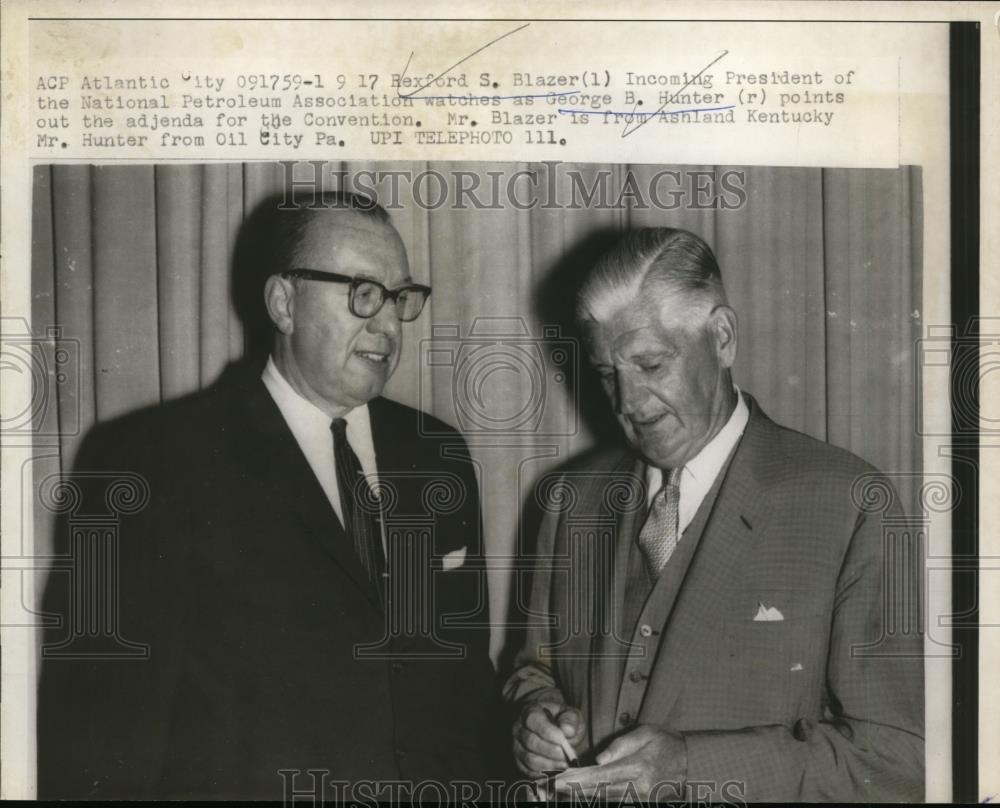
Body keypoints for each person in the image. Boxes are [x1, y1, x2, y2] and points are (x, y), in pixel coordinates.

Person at [37, 192, 498, 799]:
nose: (386, 324)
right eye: (363, 292)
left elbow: (468, 682)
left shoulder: (437, 454)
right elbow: (103, 731)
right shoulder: (152, 461)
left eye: (398, 298)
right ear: (284, 303)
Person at [505, 227, 924, 802]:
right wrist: (534, 718)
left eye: (651, 364)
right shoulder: (569, 499)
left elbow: (895, 761)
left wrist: (690, 767)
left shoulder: (849, 503)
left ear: (722, 338)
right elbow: (533, 671)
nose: (628, 402)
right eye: (607, 374)